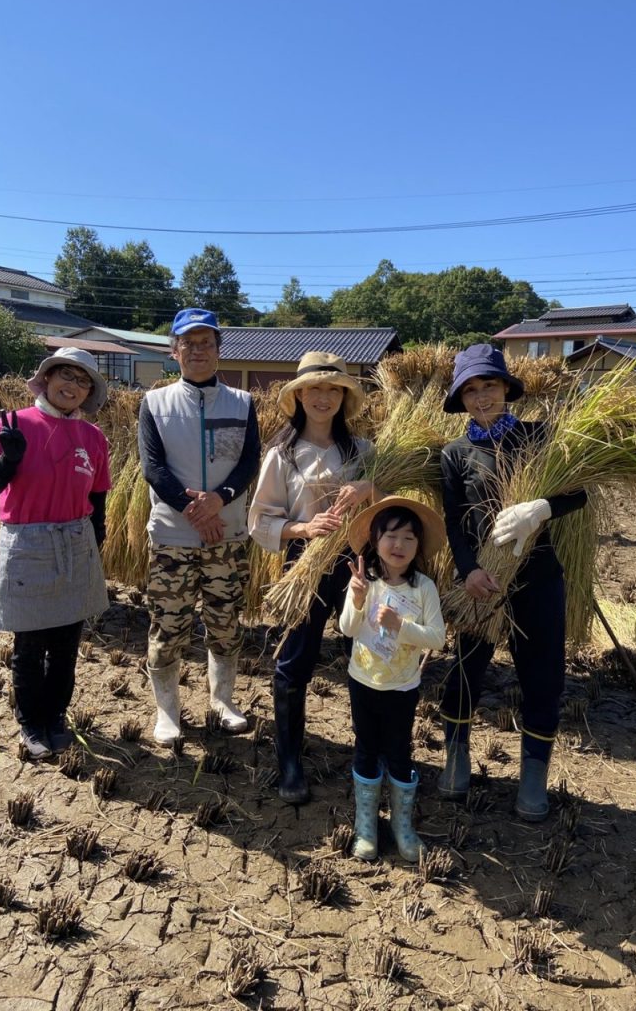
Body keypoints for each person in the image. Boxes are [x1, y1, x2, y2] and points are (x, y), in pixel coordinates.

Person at [438, 344, 587, 821]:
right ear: (460, 398)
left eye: (490, 385)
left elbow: (578, 491)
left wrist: (540, 508)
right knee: (466, 669)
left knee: (542, 679)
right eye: (471, 389)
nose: (481, 397)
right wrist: (468, 571)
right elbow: (455, 522)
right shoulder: (454, 454)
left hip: (539, 578)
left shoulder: (540, 436)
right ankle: (456, 755)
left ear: (507, 389)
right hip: (482, 583)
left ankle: (533, 778)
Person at [248, 351, 380, 804]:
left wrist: (369, 489)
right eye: (314, 389)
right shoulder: (281, 455)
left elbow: (391, 509)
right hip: (302, 565)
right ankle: (289, 763)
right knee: (294, 661)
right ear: (299, 396)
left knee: (364, 658)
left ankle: (370, 756)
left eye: (333, 389)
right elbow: (260, 520)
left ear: (343, 397)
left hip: (355, 564)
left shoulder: (363, 452)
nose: (323, 398)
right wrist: (303, 528)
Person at [0, 347, 111, 759]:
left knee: (67, 642)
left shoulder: (92, 438)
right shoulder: (14, 424)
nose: (72, 386)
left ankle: (55, 716)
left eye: (82, 380)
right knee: (30, 644)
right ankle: (31, 722)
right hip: (28, 542)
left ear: (89, 392)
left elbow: (98, 495)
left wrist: (95, 540)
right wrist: (8, 461)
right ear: (47, 379)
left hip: (75, 539)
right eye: (65, 376)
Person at [138, 308, 260, 744]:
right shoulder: (154, 403)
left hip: (227, 535)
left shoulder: (243, 403)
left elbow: (248, 463)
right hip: (173, 536)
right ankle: (167, 712)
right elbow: (153, 468)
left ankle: (223, 700)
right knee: (168, 625)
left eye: (206, 342)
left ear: (219, 349)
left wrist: (219, 502)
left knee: (225, 621)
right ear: (175, 352)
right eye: (188, 343)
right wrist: (196, 513)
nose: (198, 350)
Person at [341, 497, 446, 862]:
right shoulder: (364, 582)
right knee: (366, 748)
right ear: (375, 540)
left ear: (418, 547)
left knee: (400, 752)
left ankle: (403, 827)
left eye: (408, 538)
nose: (398, 545)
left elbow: (437, 638)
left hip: (402, 687)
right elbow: (348, 629)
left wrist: (400, 626)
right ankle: (366, 826)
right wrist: (356, 601)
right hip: (363, 682)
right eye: (390, 536)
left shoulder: (424, 589)